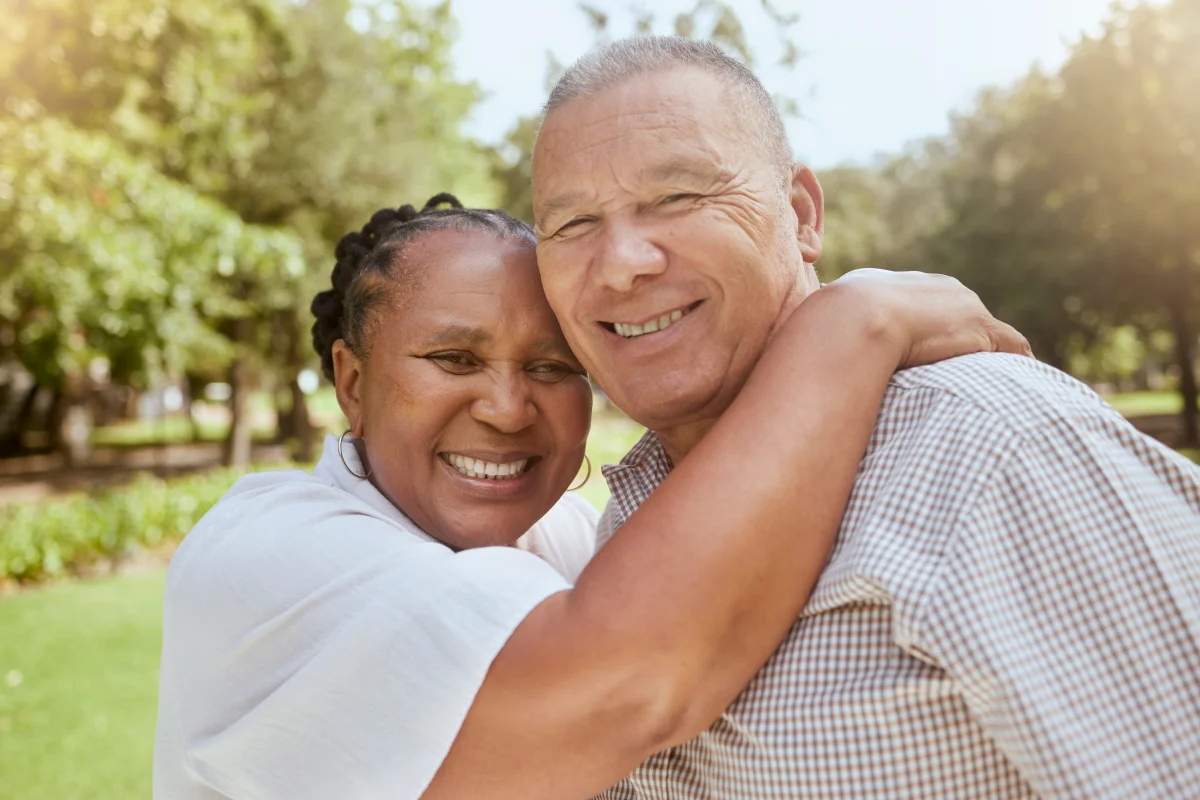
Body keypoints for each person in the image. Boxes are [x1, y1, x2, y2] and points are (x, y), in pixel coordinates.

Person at [152, 195, 1025, 799]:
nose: (505, 407)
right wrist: (850, 324)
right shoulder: (265, 554)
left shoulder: (570, 539)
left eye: (553, 367)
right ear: (351, 382)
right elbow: (629, 679)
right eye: (454, 360)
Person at [531, 36, 1200, 799]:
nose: (621, 262)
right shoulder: (618, 523)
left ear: (801, 213)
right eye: (573, 224)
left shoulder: (998, 446)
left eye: (678, 197)